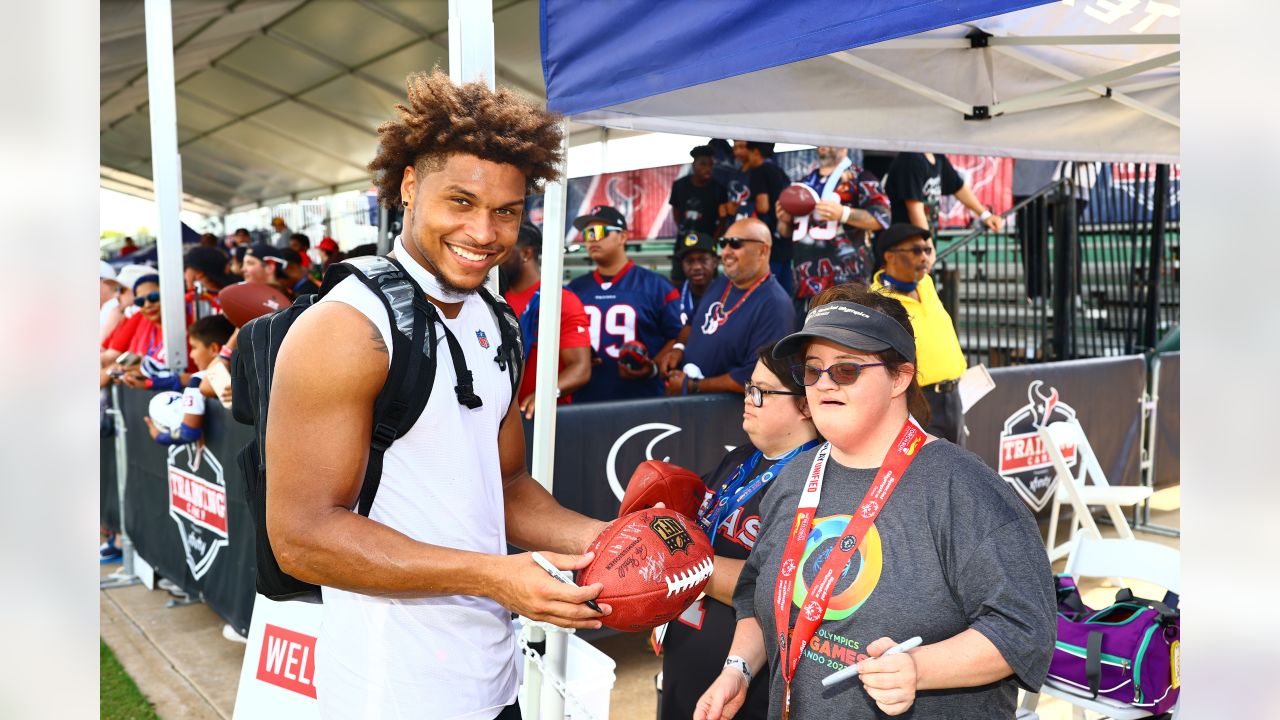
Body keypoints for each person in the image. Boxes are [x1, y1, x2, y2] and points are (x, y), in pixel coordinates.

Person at [265, 70, 611, 720]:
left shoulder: (494, 315)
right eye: (460, 202)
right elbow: (303, 538)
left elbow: (506, 486)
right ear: (409, 186)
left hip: (492, 683)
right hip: (390, 696)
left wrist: (612, 542)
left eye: (505, 212)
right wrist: (494, 576)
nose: (485, 233)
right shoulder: (345, 329)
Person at [695, 283, 1055, 720]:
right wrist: (738, 670)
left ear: (899, 377)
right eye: (812, 371)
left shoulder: (963, 488)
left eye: (846, 370)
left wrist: (918, 670)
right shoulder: (794, 479)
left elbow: (1024, 629)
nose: (824, 384)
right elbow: (757, 594)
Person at [661, 344, 822, 720]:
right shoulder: (741, 457)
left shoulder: (813, 481)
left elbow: (775, 589)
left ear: (804, 406)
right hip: (688, 654)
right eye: (750, 387)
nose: (748, 399)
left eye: (762, 392)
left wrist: (674, 559)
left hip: (746, 678)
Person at [657, 219, 793, 397]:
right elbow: (692, 323)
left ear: (763, 250)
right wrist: (679, 348)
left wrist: (693, 385)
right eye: (723, 243)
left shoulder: (775, 305)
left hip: (725, 414)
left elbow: (758, 378)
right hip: (693, 405)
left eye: (735, 244)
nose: (726, 251)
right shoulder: (720, 284)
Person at [567, 204, 683, 402]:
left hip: (642, 399)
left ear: (622, 236)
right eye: (587, 234)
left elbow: (678, 336)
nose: (592, 239)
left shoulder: (656, 286)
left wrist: (653, 366)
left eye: (599, 231)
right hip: (585, 398)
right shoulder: (573, 289)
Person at [870, 224, 967, 443]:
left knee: (959, 471)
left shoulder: (926, 283)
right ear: (890, 256)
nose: (924, 257)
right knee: (927, 472)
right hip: (919, 399)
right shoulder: (878, 302)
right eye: (916, 251)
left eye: (927, 250)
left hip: (953, 396)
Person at [778, 147, 891, 311]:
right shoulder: (802, 182)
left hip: (847, 286)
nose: (824, 143)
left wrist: (844, 213)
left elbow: (882, 218)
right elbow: (785, 232)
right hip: (804, 284)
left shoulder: (860, 178)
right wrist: (785, 220)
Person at [500, 222, 592, 417]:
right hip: (498, 420)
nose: (496, 258)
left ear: (526, 254)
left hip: (543, 421)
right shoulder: (491, 298)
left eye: (504, 251)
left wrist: (547, 395)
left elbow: (581, 367)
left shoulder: (560, 299)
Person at [143, 315, 234, 446]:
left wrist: (158, 436)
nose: (191, 355)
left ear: (214, 349)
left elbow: (187, 433)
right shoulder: (252, 366)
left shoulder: (198, 380)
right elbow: (182, 379)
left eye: (194, 347)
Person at [883, 152, 1005, 235]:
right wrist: (926, 246)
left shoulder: (937, 157)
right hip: (904, 243)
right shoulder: (910, 159)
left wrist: (985, 215)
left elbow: (958, 187)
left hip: (922, 242)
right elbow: (914, 209)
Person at [669, 145, 730, 280]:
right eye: (703, 164)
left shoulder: (718, 189)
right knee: (678, 278)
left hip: (707, 243)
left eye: (710, 164)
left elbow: (723, 219)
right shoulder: (679, 185)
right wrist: (682, 228)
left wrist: (713, 240)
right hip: (684, 240)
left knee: (708, 281)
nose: (708, 168)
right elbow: (676, 210)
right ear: (694, 165)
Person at [673, 230, 721, 326]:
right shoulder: (673, 296)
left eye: (703, 260)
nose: (696, 267)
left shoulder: (728, 294)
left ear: (715, 262)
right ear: (682, 265)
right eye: (689, 261)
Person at [182, 246, 234, 321]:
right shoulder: (236, 299)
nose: (184, 275)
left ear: (199, 273)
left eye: (185, 270)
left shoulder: (187, 301)